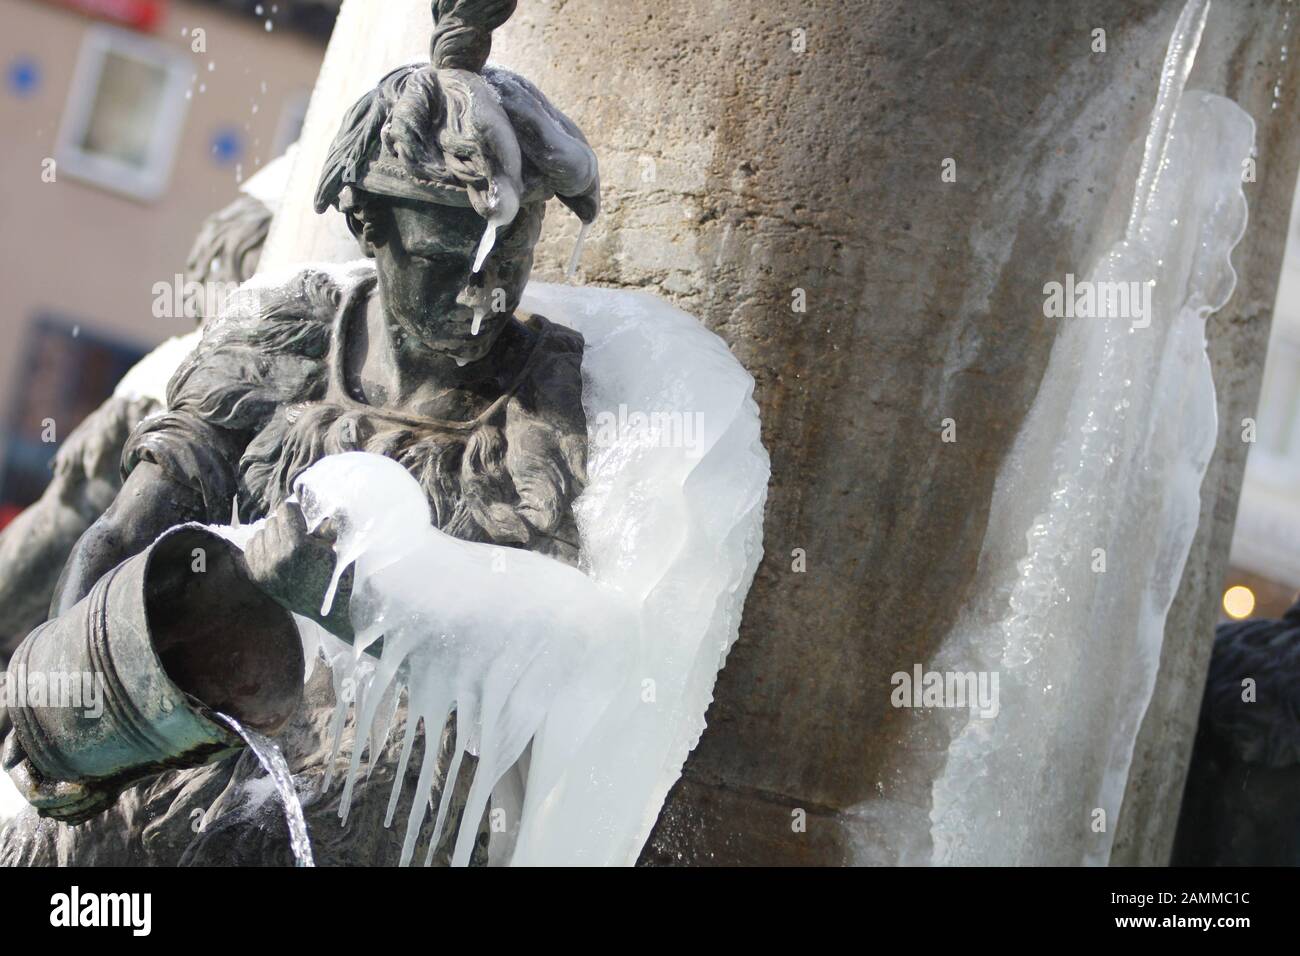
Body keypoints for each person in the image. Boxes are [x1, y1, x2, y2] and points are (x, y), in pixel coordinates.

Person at [2, 0, 600, 831]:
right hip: (216, 744)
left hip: (383, 787)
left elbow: (538, 672)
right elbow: (116, 539)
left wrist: (349, 603)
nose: (481, 293)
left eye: (511, 256)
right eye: (440, 258)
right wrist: (63, 685)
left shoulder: (535, 402)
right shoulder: (283, 341)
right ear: (369, 227)